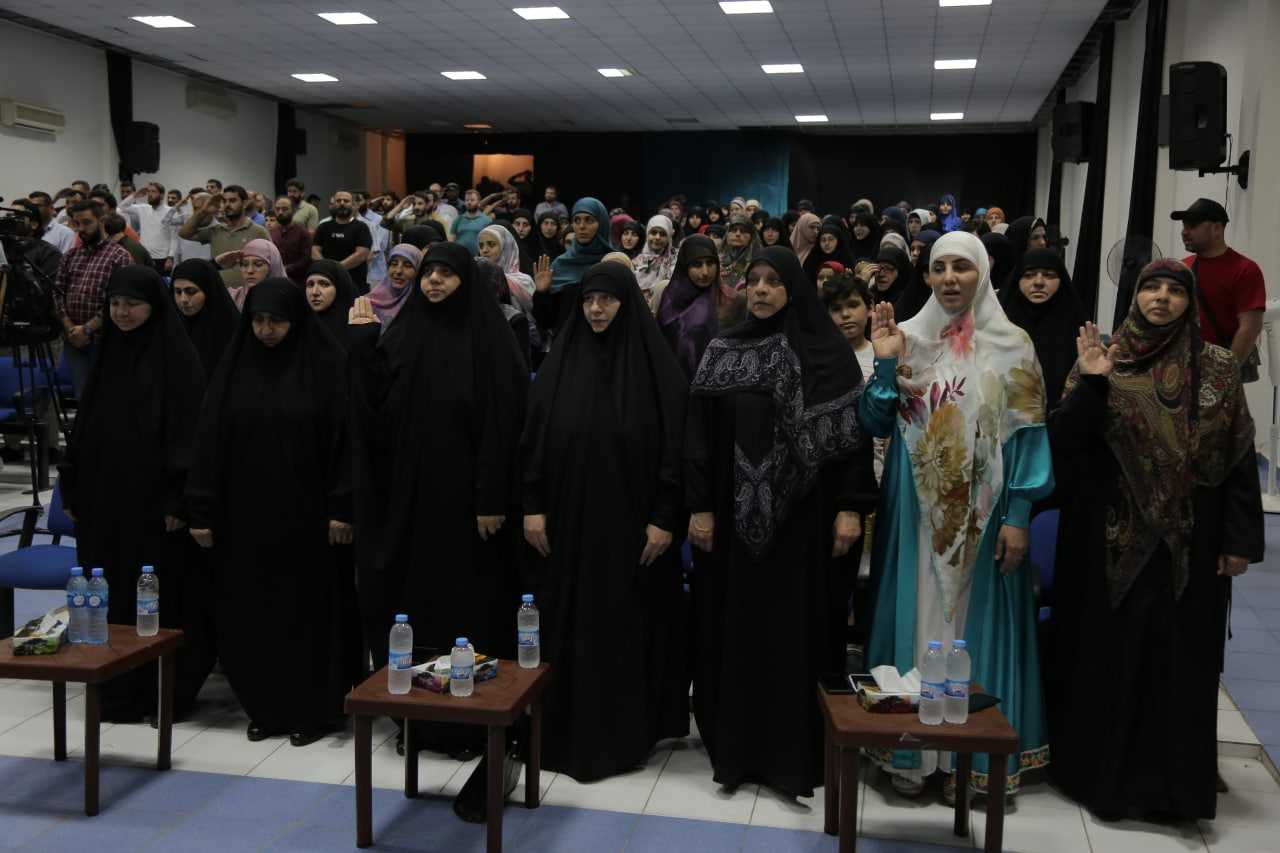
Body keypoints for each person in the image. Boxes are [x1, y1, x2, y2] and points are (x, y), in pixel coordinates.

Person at [1047, 259, 1262, 821]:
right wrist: (1093, 382)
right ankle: (1099, 782)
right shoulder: (1105, 357)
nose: (1162, 298)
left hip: (1189, 544)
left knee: (1178, 666)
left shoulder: (1217, 368)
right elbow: (1063, 444)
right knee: (1108, 660)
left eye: (1175, 290)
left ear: (1190, 302)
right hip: (1106, 539)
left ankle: (1172, 793)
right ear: (1135, 296)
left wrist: (1238, 540)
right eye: (1151, 287)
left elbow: (1239, 457)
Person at [859, 231, 1053, 802]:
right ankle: (912, 755)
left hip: (985, 515)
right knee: (919, 618)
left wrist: (1019, 513)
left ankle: (968, 764)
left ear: (983, 274)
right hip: (915, 512)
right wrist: (885, 364)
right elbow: (874, 421)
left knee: (970, 630)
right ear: (927, 275)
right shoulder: (906, 337)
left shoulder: (1013, 344)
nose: (949, 278)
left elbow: (1029, 437)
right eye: (939, 267)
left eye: (961, 268)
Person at [685, 246, 875, 798]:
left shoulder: (828, 353)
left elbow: (853, 441)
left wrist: (850, 507)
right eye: (754, 280)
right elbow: (696, 436)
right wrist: (700, 506)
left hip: (804, 525)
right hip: (733, 525)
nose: (762, 290)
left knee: (797, 635)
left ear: (793, 288)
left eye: (773, 280)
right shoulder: (723, 350)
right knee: (736, 630)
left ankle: (794, 754)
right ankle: (737, 751)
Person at [346, 242, 527, 820]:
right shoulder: (403, 335)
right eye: (430, 274)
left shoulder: (490, 339)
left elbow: (504, 423)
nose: (435, 283)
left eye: (447, 274)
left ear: (465, 281)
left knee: (467, 609)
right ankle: (422, 719)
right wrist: (360, 345)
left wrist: (491, 495)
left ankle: (472, 720)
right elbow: (374, 412)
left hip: (469, 507)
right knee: (416, 609)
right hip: (413, 504)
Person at [521, 261, 688, 782]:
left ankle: (622, 734)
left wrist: (665, 517)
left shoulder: (656, 370)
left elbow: (676, 449)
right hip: (566, 525)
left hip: (631, 528)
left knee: (623, 625)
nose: (596, 309)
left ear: (626, 304)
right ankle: (561, 728)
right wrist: (532, 506)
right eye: (589, 300)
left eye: (607, 300)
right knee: (565, 623)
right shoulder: (560, 364)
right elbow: (533, 442)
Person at [187, 278, 356, 747]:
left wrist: (342, 507)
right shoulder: (234, 369)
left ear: (295, 321)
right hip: (245, 519)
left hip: (309, 520)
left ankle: (314, 710)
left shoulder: (326, 367)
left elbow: (347, 443)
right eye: (258, 320)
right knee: (252, 614)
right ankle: (265, 706)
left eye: (276, 321)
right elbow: (209, 443)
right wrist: (201, 510)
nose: (265, 330)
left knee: (307, 616)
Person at [59, 265, 211, 721]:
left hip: (154, 509)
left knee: (156, 599)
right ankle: (114, 690)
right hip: (104, 505)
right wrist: (72, 488)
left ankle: (159, 692)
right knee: (108, 597)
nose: (122, 313)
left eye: (132, 304)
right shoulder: (107, 356)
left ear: (153, 307)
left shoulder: (178, 361)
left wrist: (179, 500)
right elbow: (84, 431)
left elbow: (190, 437)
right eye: (115, 304)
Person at [1173, 198, 1265, 363]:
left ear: (1216, 228)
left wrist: (1227, 370)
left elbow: (1250, 328)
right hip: (1184, 365)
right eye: (1184, 226)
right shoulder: (1181, 268)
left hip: (1223, 365)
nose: (1184, 232)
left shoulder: (1245, 269)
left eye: (1192, 226)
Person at [55, 201, 131, 396]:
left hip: (104, 338)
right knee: (83, 395)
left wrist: (88, 329)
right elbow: (57, 293)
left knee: (107, 396)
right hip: (73, 337)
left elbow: (119, 301)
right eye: (76, 224)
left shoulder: (120, 256)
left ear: (102, 221)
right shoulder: (70, 256)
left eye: (87, 222)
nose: (81, 229)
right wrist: (70, 328)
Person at [998, 248, 1089, 412]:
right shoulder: (999, 324)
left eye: (1049, 275)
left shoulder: (1078, 329)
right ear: (1017, 279)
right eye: (1029, 275)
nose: (1039, 282)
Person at [654, 234, 744, 378]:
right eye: (697, 264)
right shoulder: (670, 298)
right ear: (684, 266)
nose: (705, 272)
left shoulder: (732, 301)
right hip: (672, 380)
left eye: (710, 263)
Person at [533, 197, 613, 336]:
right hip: (567, 344)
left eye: (589, 220)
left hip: (606, 343)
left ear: (602, 223)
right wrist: (542, 293)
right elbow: (546, 322)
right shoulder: (560, 264)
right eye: (577, 220)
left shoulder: (613, 263)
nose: (581, 226)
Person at [178, 186, 272, 289]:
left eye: (232, 200)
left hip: (248, 292)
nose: (227, 204)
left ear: (244, 203)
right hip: (220, 292)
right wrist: (204, 211)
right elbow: (184, 233)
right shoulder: (216, 230)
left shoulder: (258, 231)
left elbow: (272, 263)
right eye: (224, 201)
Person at [171, 258, 239, 380]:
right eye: (177, 292)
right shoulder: (170, 329)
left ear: (209, 291)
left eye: (191, 291)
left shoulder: (231, 331)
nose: (183, 299)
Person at [312, 191, 373, 294]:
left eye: (346, 201)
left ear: (353, 205)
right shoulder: (323, 226)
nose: (342, 203)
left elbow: (362, 255)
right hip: (327, 282)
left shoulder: (361, 227)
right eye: (338, 201)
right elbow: (314, 251)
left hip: (354, 284)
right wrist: (326, 268)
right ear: (333, 204)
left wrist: (337, 269)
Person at [122, 182, 175, 274]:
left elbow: (174, 236)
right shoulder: (143, 208)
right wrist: (135, 195)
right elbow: (122, 206)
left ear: (162, 195)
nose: (150, 194)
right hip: (144, 256)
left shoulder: (170, 211)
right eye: (149, 191)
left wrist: (170, 257)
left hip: (162, 258)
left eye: (153, 191)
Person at [366, 243, 422, 329]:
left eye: (407, 265)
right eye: (394, 264)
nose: (398, 271)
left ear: (418, 270)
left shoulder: (422, 306)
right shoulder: (367, 303)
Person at [305, 259, 358, 348]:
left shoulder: (357, 329)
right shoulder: (300, 327)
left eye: (324, 284)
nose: (314, 292)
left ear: (340, 287)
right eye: (310, 285)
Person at [270, 196, 314, 286]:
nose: (280, 212)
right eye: (277, 209)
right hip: (275, 280)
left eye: (284, 209)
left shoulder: (303, 233)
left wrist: (285, 269)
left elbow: (305, 259)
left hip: (296, 281)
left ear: (293, 211)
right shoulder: (272, 232)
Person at [633, 214, 677, 300]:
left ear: (668, 237)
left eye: (663, 234)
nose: (657, 237)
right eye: (653, 233)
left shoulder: (675, 261)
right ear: (647, 235)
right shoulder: (637, 261)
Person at [718, 213, 762, 291]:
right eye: (733, 230)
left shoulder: (758, 261)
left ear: (751, 236)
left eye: (743, 231)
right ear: (727, 234)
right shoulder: (717, 258)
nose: (738, 234)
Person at [804, 218, 855, 283]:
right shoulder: (813, 259)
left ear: (838, 241)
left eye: (831, 239)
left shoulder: (846, 259)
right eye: (823, 240)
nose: (827, 243)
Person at [450, 189, 493, 257]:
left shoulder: (487, 220)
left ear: (478, 202)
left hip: (479, 258)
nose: (469, 202)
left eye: (472, 200)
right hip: (459, 257)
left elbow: (491, 241)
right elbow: (451, 240)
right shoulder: (458, 219)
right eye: (467, 200)